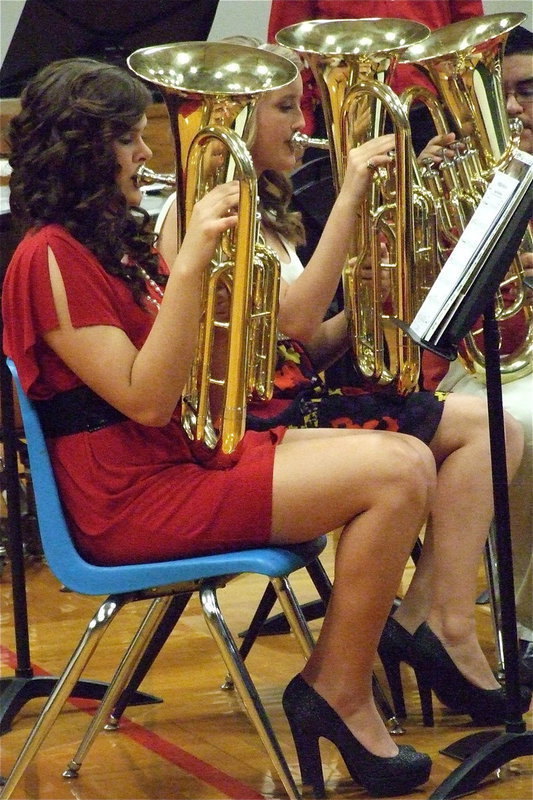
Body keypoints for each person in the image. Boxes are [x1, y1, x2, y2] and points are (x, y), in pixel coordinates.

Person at [2, 56, 441, 800]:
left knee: (408, 454)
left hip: (178, 460)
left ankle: (347, 677)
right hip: (130, 500)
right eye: (128, 139)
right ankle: (337, 691)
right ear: (82, 151)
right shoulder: (47, 258)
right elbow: (146, 399)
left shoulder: (104, 244)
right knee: (395, 474)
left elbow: (185, 370)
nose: (145, 153)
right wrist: (194, 263)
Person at [153, 38, 531, 742]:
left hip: (291, 403)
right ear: (238, 119)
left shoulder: (268, 211)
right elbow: (294, 326)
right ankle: (420, 638)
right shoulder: (194, 211)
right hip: (248, 427)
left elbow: (306, 344)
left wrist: (396, 277)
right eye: (283, 108)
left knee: (494, 431)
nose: (302, 123)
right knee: (446, 443)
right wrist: (355, 196)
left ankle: (436, 618)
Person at [422, 24, 533, 687]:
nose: (514, 108)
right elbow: (421, 308)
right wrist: (426, 205)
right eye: (503, 94)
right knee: (522, 423)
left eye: (528, 91)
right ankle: (522, 628)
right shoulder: (471, 177)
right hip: (483, 364)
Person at [266, 0, 484, 149]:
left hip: (431, 113)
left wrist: (471, 117)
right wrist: (302, 127)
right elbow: (287, 50)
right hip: (346, 119)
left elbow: (469, 31)